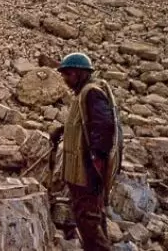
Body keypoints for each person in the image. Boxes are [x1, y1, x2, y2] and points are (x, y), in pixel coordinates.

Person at [50, 53, 123, 251]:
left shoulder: (91, 93)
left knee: (87, 219)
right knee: (92, 216)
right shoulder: (83, 93)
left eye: (69, 74)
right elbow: (84, 124)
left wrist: (95, 159)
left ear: (81, 73)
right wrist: (62, 131)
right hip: (82, 171)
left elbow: (104, 126)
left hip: (87, 172)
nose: (65, 79)